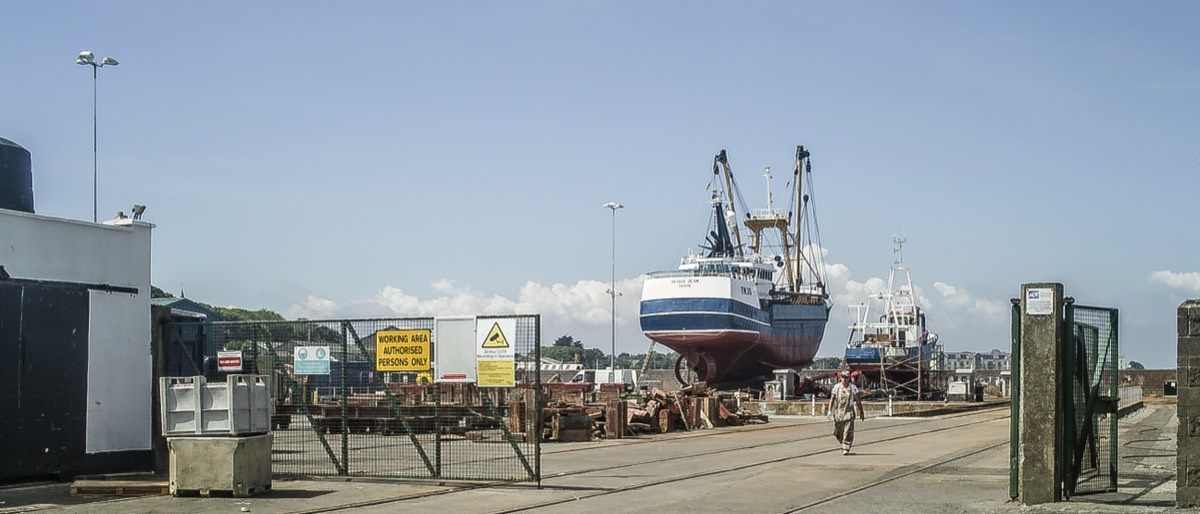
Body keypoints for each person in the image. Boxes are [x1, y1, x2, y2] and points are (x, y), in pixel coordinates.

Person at [827, 369, 861, 455]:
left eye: (846, 377)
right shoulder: (836, 387)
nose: (844, 379)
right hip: (838, 412)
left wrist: (861, 411)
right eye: (843, 377)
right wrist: (829, 411)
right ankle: (843, 441)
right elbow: (832, 399)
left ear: (849, 378)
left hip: (849, 412)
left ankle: (846, 447)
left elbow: (858, 400)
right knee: (837, 432)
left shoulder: (853, 388)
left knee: (848, 431)